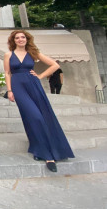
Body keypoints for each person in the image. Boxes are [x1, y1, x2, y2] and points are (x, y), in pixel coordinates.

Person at [4, 30, 74, 172]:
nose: (20, 39)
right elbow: (7, 72)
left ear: (27, 39)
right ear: (13, 40)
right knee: (35, 117)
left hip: (34, 86)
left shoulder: (33, 53)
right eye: (17, 38)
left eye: (23, 37)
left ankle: (42, 150)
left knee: (42, 117)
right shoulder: (8, 55)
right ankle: (46, 154)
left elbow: (55, 65)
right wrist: (10, 90)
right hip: (18, 87)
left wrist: (41, 75)